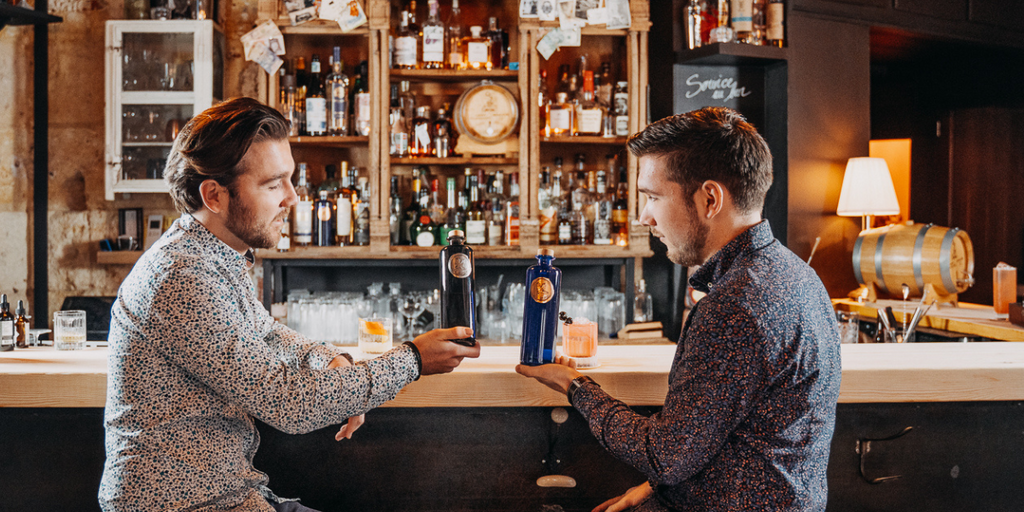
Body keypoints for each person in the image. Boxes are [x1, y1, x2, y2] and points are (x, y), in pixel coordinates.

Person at [99, 97, 481, 512]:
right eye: (272, 184)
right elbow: (291, 403)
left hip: (232, 496)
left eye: (291, 179)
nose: (293, 198)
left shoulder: (212, 255)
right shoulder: (182, 277)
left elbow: (266, 332)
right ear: (214, 195)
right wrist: (413, 360)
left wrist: (328, 358)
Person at [517, 107, 842, 512]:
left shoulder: (734, 307)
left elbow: (665, 455)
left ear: (710, 198)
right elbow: (730, 437)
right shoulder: (798, 275)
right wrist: (656, 488)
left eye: (653, 197)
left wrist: (574, 385)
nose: (644, 217)